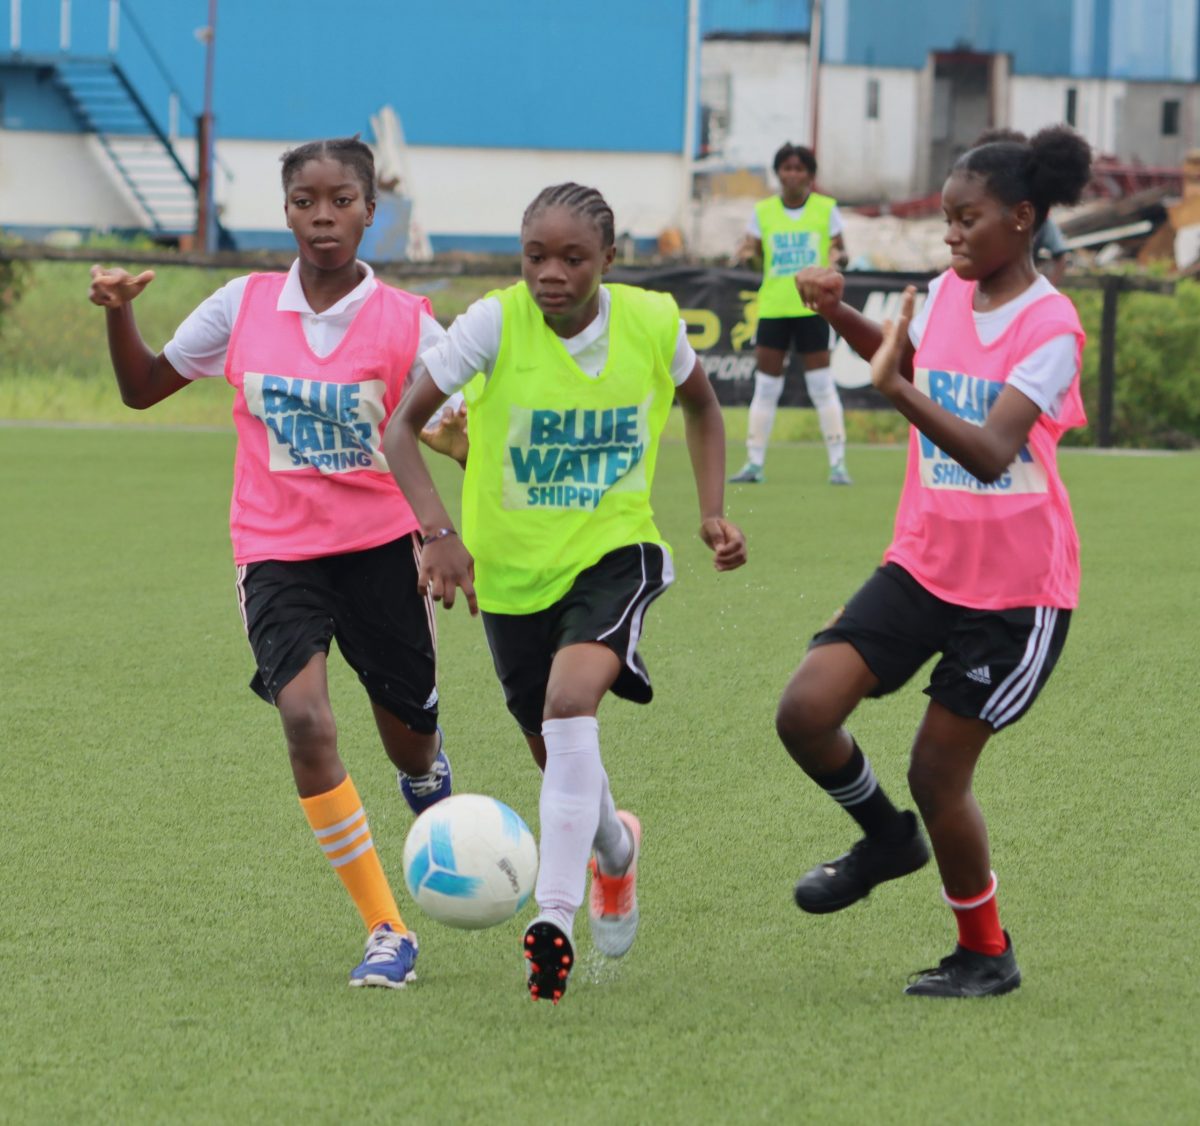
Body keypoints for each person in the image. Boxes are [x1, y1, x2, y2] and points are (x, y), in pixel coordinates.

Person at [88, 136, 458, 990]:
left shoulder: (408, 321)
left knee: (409, 743)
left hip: (381, 549)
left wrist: (455, 533)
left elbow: (456, 433)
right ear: (285, 209)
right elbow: (143, 386)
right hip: (275, 549)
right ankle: (385, 928)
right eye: (304, 202)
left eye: (340, 202)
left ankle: (428, 771)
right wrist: (117, 310)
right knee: (305, 719)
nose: (322, 218)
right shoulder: (242, 305)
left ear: (372, 208)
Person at [384, 182, 747, 1003]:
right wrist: (439, 534)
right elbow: (402, 427)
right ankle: (615, 851)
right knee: (557, 751)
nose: (550, 273)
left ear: (609, 262)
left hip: (615, 551)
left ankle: (554, 915)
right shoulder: (491, 324)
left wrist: (714, 511)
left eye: (572, 258)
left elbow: (702, 405)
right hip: (512, 575)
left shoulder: (652, 323)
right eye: (535, 256)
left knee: (569, 700)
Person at [782, 125, 1092, 996]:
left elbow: (994, 448)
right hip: (923, 561)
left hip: (1016, 595)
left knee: (935, 771)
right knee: (805, 710)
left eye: (968, 219)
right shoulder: (947, 293)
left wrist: (897, 393)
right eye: (947, 220)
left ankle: (986, 954)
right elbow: (907, 359)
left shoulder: (1052, 325)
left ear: (1023, 219)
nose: (950, 235)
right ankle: (887, 839)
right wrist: (837, 313)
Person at [730, 142, 852, 486]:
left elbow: (841, 251)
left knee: (821, 386)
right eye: (787, 168)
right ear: (778, 173)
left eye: (800, 168)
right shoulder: (763, 211)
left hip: (813, 308)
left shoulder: (826, 209)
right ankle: (754, 464)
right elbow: (754, 256)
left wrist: (836, 260)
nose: (793, 174)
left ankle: (838, 464)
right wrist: (745, 254)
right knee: (766, 387)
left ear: (810, 175)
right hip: (774, 308)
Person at [976, 129, 1071, 285]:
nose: (951, 237)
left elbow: (1060, 255)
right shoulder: (949, 287)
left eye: (968, 221)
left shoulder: (1044, 223)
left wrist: (1050, 289)